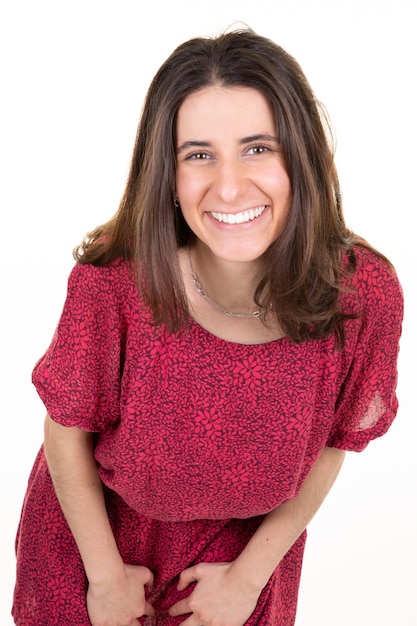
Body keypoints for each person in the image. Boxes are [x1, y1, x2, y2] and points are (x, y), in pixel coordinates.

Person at [12, 26, 403, 626]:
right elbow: (64, 433)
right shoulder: (115, 283)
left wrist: (249, 577)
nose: (227, 186)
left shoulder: (363, 295)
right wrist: (106, 578)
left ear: (301, 156)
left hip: (245, 554)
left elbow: (336, 439)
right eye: (198, 155)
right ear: (166, 175)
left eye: (257, 148)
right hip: (98, 543)